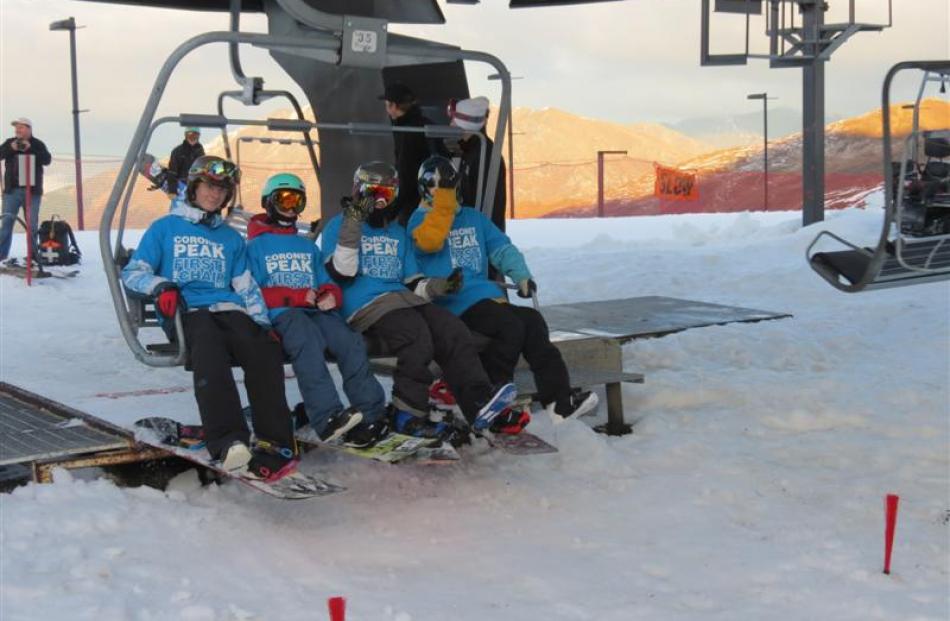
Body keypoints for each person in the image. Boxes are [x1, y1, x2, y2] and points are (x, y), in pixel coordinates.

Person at [121, 155, 300, 483]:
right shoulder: (165, 229)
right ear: (193, 187)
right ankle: (228, 439)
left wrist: (262, 325)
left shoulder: (230, 238)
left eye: (222, 190)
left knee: (262, 350)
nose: (215, 195)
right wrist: (160, 287)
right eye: (209, 187)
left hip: (228, 310)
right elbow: (134, 272)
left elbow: (245, 286)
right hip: (188, 314)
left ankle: (276, 441)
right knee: (209, 347)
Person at [320, 161, 516, 440]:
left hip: (403, 300)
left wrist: (441, 286)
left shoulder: (398, 233)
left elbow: (414, 282)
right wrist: (354, 220)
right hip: (366, 305)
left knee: (451, 329)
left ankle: (478, 403)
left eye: (384, 195)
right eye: (370, 193)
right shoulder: (339, 225)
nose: (377, 202)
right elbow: (343, 271)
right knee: (416, 335)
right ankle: (408, 413)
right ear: (357, 192)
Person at [408, 155, 599, 424]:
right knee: (508, 325)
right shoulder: (418, 222)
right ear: (424, 188)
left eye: (447, 187)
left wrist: (520, 275)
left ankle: (558, 400)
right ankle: (492, 392)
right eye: (434, 187)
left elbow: (501, 248)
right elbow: (429, 243)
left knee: (531, 321)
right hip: (451, 300)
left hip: (485, 296)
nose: (442, 193)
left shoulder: (474, 219)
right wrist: (442, 210)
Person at [246, 173, 389, 448]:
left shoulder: (306, 245)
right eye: (284, 200)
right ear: (269, 203)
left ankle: (372, 412)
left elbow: (325, 281)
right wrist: (296, 296)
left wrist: (330, 295)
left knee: (349, 341)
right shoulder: (255, 247)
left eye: (296, 201)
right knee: (307, 341)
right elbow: (251, 292)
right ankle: (327, 417)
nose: (290, 208)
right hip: (283, 315)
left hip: (316, 312)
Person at [380, 83, 446, 226]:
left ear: (393, 106)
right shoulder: (426, 124)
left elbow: (406, 174)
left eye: (387, 105)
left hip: (416, 204)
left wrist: (390, 213)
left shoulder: (408, 132)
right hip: (437, 199)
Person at [448, 96, 508, 232]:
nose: (451, 124)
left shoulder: (484, 154)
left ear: (465, 123)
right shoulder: (470, 151)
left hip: (482, 235)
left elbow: (482, 202)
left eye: (454, 119)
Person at [0, 118, 52, 263]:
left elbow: (47, 160)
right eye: (16, 128)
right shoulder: (10, 142)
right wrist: (11, 148)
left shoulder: (37, 144)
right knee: (6, 223)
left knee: (32, 225)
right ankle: (1, 255)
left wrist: (30, 149)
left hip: (32, 192)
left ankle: (32, 256)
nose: (18, 130)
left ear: (29, 129)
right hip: (12, 192)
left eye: (21, 127)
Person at [164, 127, 205, 199]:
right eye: (190, 135)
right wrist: (172, 191)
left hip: (195, 190)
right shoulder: (178, 151)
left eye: (195, 135)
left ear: (198, 136)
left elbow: (203, 173)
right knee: (180, 209)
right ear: (186, 136)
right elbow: (172, 172)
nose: (192, 138)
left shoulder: (200, 153)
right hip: (180, 188)